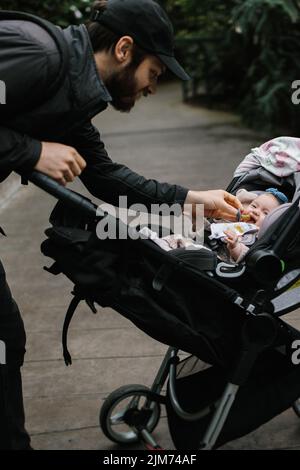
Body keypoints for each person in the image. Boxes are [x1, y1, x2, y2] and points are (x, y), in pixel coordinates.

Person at [0, 0, 242, 449]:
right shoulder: (41, 56)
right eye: (156, 73)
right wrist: (31, 152)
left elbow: (107, 177)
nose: (153, 87)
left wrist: (192, 199)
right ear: (125, 49)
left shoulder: (74, 98)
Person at [224, 188, 288, 262]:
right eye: (254, 206)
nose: (256, 212)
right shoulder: (235, 218)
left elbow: (246, 256)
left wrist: (235, 247)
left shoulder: (258, 239)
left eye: (265, 213)